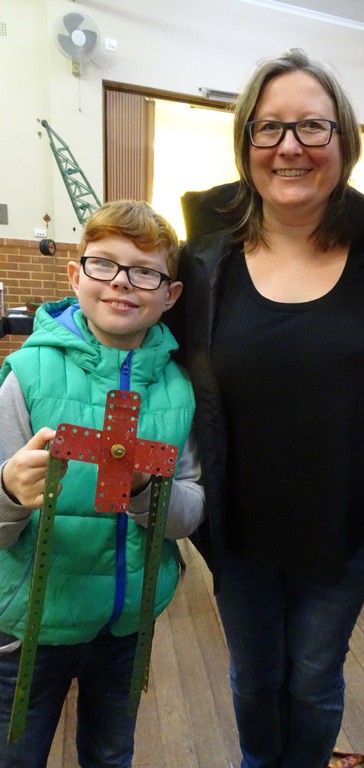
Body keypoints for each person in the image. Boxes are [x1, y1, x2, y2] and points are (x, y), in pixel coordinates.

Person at [167, 48, 364, 768]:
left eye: (313, 126)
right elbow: (129, 331)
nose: (290, 146)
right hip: (237, 528)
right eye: (269, 127)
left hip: (347, 533)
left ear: (343, 141)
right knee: (254, 678)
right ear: (246, 141)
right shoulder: (204, 263)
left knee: (313, 678)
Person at [0, 200, 205, 767]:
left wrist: (144, 487)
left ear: (171, 294)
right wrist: (8, 493)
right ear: (75, 274)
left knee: (111, 754)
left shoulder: (181, 390)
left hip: (126, 626)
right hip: (28, 625)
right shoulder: (26, 375)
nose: (121, 282)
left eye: (144, 272)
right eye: (103, 264)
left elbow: (190, 512)